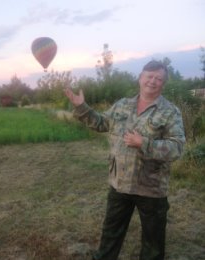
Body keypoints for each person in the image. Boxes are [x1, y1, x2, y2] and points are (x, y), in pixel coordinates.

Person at [64, 60, 186, 260]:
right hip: (119, 184)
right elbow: (102, 123)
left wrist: (144, 143)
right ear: (140, 78)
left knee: (152, 244)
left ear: (163, 84)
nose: (153, 81)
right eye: (149, 76)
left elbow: (177, 147)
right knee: (110, 236)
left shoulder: (170, 112)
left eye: (159, 79)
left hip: (151, 189)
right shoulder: (122, 104)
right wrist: (81, 107)